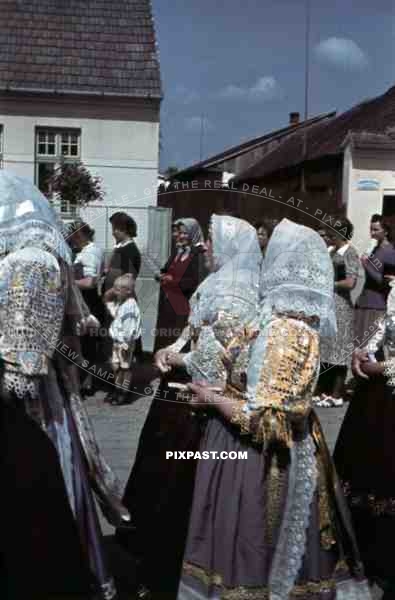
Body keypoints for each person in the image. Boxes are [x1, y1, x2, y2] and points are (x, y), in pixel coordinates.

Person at [177, 219, 371, 600]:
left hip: (267, 460)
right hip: (238, 445)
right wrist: (221, 387)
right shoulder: (270, 320)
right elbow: (247, 378)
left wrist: (213, 399)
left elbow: (270, 423)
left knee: (256, 549)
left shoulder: (288, 330)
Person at [116, 215, 262, 600]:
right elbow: (191, 333)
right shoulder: (216, 283)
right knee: (157, 474)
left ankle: (173, 562)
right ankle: (151, 552)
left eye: (213, 241)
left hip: (203, 403)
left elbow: (218, 361)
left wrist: (179, 361)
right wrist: (170, 350)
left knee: (179, 484)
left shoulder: (238, 293)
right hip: (179, 394)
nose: (207, 248)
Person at [0, 171, 130, 600]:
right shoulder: (22, 254)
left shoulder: (30, 261)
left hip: (28, 403)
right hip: (29, 389)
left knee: (34, 498)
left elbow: (22, 368)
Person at [334, 282, 395, 599]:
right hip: (378, 392)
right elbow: (386, 324)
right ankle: (365, 558)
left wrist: (382, 366)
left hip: (388, 382)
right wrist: (364, 351)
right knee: (365, 475)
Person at [316, 216, 360, 407]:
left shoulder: (350, 252)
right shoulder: (332, 250)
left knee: (339, 351)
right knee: (326, 349)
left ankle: (337, 393)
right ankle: (323, 390)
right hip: (328, 305)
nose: (328, 235)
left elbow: (351, 282)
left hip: (340, 305)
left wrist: (330, 284)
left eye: (331, 231)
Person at [153, 218, 205, 352]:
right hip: (170, 304)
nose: (179, 236)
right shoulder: (179, 252)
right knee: (165, 337)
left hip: (184, 306)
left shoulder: (197, 254)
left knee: (178, 340)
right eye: (178, 233)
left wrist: (172, 281)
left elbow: (195, 282)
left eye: (184, 233)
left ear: (192, 234)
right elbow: (166, 270)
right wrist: (161, 275)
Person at [69, 221, 105, 395]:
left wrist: (69, 283)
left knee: (87, 346)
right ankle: (84, 381)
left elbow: (91, 282)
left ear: (80, 235)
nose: (72, 241)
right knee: (85, 344)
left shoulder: (90, 252)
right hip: (84, 302)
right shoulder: (87, 250)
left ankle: (88, 382)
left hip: (89, 303)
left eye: (73, 237)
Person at [354, 214, 395, 347]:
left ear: (386, 231)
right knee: (358, 344)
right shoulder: (374, 249)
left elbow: (386, 283)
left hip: (377, 305)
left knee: (371, 347)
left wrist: (366, 265)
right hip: (364, 301)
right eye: (371, 229)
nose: (372, 233)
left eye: (376, 230)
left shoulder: (390, 252)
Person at [106, 274, 142, 405]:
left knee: (125, 368)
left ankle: (124, 392)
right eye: (114, 288)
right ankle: (117, 389)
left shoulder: (130, 306)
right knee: (116, 366)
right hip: (117, 341)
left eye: (118, 289)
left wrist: (125, 342)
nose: (115, 292)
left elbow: (129, 328)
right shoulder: (122, 303)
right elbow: (112, 308)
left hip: (124, 343)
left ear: (128, 291)